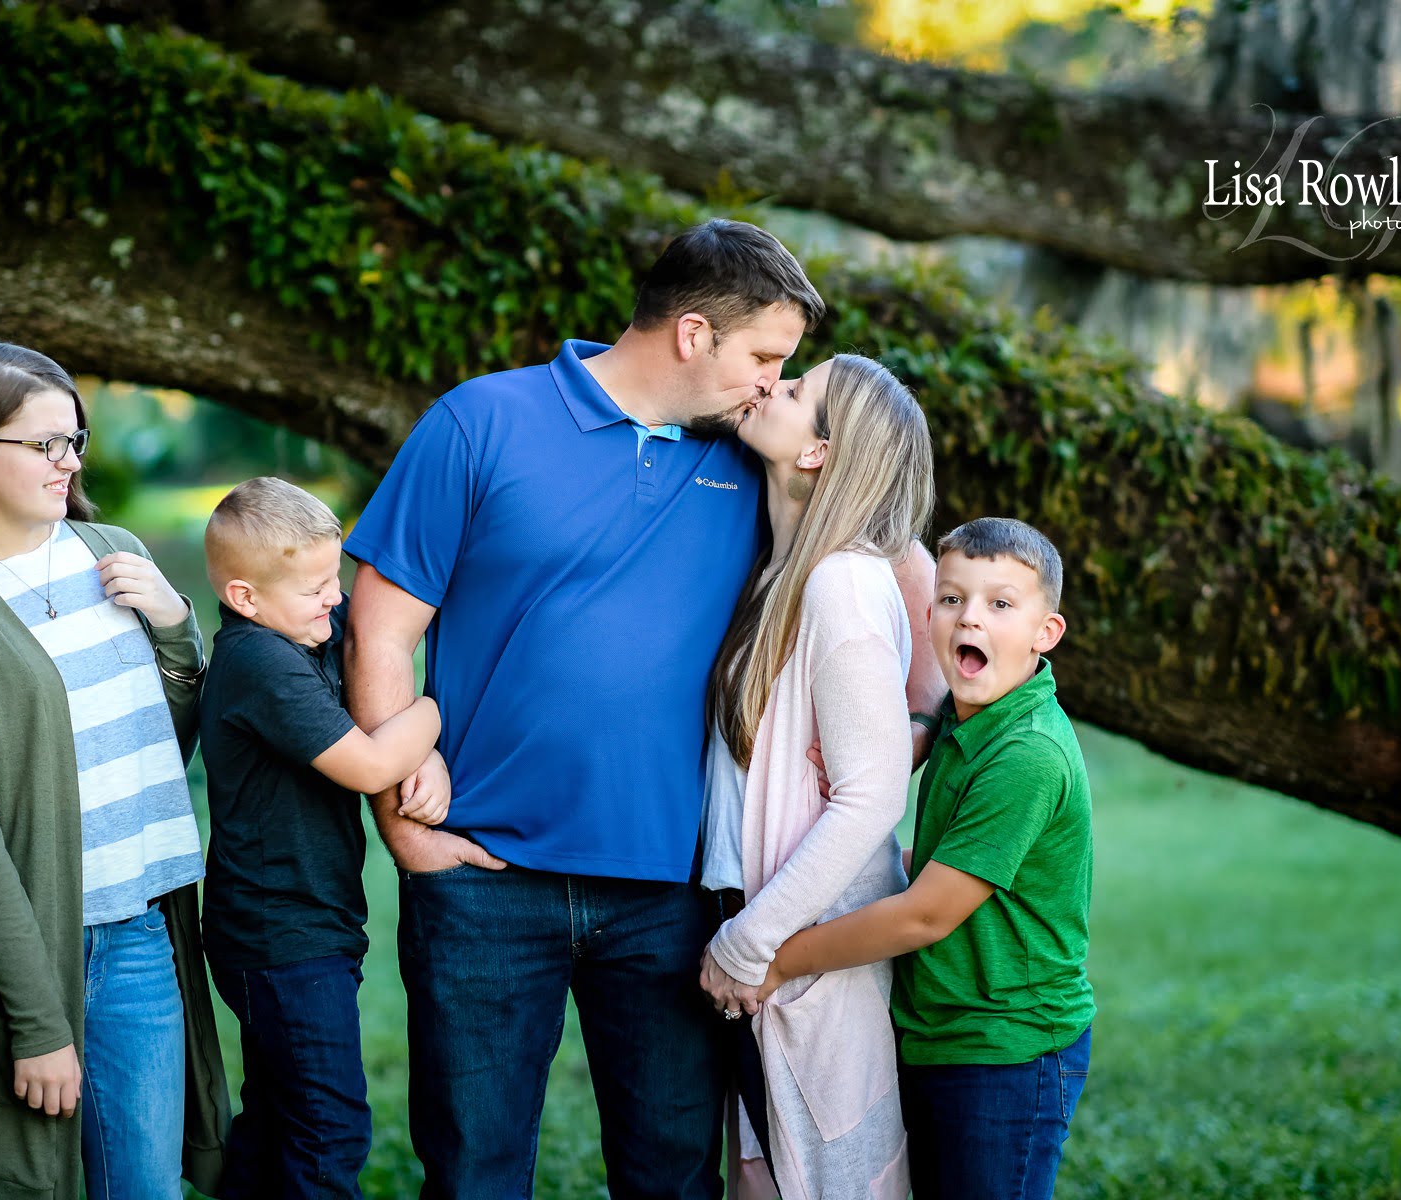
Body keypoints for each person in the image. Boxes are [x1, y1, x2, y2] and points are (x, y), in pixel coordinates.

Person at [341, 218, 824, 1197]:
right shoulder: (481, 422)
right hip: (482, 875)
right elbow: (378, 632)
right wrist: (401, 819)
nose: (774, 384)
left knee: (672, 1180)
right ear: (694, 334)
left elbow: (876, 548)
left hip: (670, 888)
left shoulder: (752, 463)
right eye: (765, 357)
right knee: (473, 1178)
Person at [0, 343, 229, 1200]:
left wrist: (176, 626)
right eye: (43, 444)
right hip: (33, 945)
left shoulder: (115, 554)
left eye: (74, 440)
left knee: (146, 1189)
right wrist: (38, 1022)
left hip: (139, 930)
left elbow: (162, 749)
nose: (69, 461)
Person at [755, 517, 1095, 1200]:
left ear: (1046, 632)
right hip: (941, 1032)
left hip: (1007, 1048)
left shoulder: (1026, 754)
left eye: (1001, 604)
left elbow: (924, 916)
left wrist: (777, 960)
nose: (970, 617)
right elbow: (942, 858)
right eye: (952, 598)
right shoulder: (969, 714)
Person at [695, 354, 937, 1199]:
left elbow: (872, 796)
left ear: (818, 453)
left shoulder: (843, 583)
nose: (774, 383)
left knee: (827, 1181)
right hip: (755, 925)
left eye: (797, 391)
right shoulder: (782, 569)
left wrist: (750, 941)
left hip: (804, 944)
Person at [197, 477, 444, 1199]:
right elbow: (369, 765)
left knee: (278, 1121)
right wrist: (434, 711)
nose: (335, 600)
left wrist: (416, 747)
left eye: (335, 578)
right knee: (327, 1132)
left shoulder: (299, 635)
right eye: (314, 590)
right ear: (245, 597)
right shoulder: (260, 662)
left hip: (303, 928)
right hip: (281, 937)